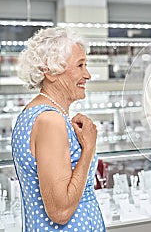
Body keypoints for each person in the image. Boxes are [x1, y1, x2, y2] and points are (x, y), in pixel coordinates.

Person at [11, 27, 106, 231]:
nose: (87, 75)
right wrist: (88, 148)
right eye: (80, 65)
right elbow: (60, 212)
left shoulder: (37, 113)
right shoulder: (50, 121)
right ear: (50, 71)